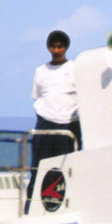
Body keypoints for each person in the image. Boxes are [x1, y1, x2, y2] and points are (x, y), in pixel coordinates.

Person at [32, 29, 81, 157]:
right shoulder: (40, 71)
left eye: (60, 47)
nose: (56, 51)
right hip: (45, 124)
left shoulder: (75, 67)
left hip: (70, 124)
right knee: (40, 167)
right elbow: (37, 96)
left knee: (69, 169)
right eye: (53, 47)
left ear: (65, 48)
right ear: (48, 48)